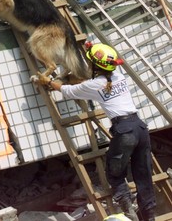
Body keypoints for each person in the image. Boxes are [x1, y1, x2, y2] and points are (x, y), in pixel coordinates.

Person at [36, 42, 156, 221]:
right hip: (140, 127)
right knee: (144, 175)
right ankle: (150, 217)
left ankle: (130, 214)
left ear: (93, 66)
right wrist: (91, 48)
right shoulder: (119, 76)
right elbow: (105, 63)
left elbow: (68, 91)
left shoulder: (95, 85)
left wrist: (49, 82)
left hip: (124, 131)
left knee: (114, 173)